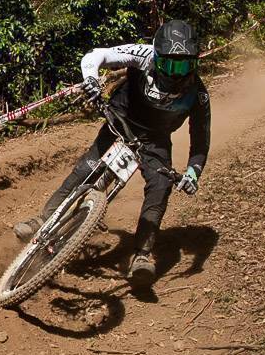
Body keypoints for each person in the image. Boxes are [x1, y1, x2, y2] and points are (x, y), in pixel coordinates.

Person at [12, 19, 211, 288]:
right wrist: (91, 80)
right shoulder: (143, 55)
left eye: (184, 65)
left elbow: (200, 138)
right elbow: (98, 55)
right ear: (156, 55)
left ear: (195, 62)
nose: (177, 73)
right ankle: (43, 219)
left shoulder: (198, 94)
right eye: (170, 64)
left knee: (160, 186)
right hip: (120, 121)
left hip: (154, 140)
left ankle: (142, 254)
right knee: (87, 168)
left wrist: (193, 171)